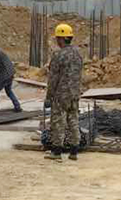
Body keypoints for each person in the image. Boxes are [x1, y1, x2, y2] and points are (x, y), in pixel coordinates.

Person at [45, 23, 83, 162]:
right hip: (75, 93)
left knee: (58, 122)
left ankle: (57, 152)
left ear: (61, 39)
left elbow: (53, 78)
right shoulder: (78, 54)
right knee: (73, 121)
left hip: (61, 94)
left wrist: (49, 96)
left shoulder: (58, 55)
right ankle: (74, 152)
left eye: (57, 38)